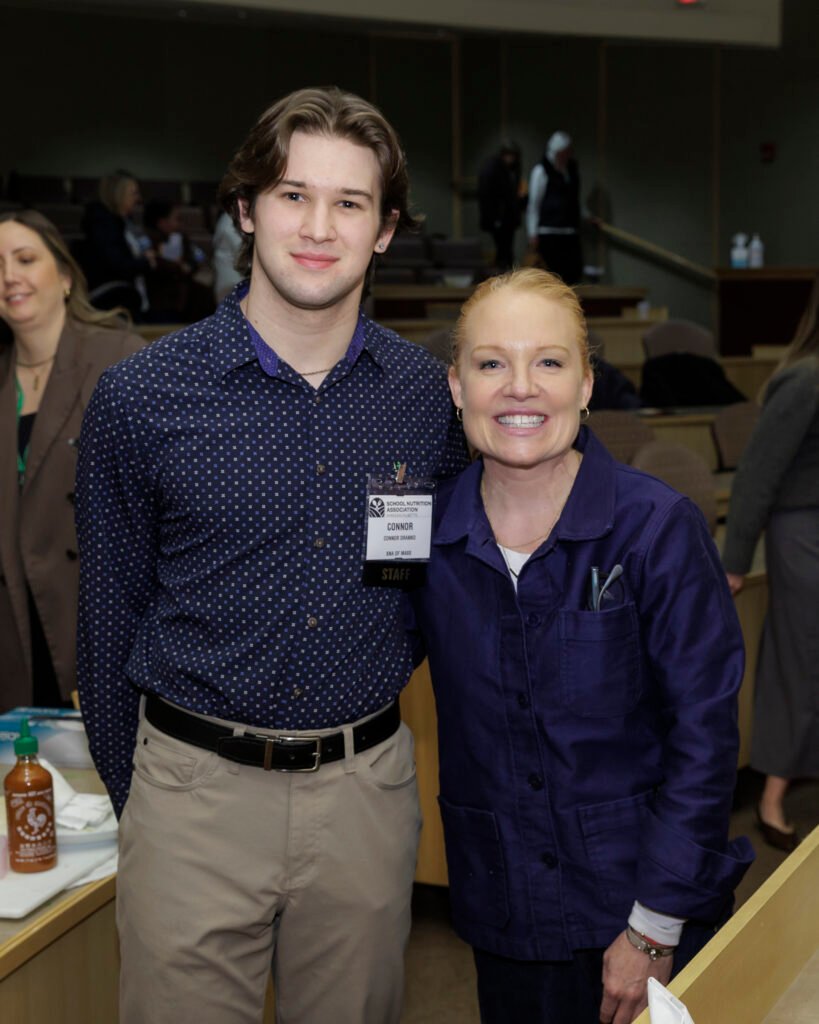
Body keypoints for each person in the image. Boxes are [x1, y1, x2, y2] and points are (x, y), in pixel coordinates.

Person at [75, 86, 467, 1024]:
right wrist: (150, 800)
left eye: (349, 202)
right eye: (293, 195)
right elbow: (107, 618)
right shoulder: (141, 398)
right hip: (192, 798)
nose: (318, 227)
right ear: (246, 210)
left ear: (384, 230)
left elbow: (445, 583)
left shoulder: (427, 400)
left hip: (365, 796)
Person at [408, 268, 754, 1024]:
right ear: (457, 387)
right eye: (491, 363)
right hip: (504, 909)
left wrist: (652, 927)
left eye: (549, 361)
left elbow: (703, 738)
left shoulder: (656, 527)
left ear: (587, 384)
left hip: (641, 907)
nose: (520, 387)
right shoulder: (421, 535)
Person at [0, 209, 143, 712]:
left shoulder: (120, 358)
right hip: (16, 637)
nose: (9, 276)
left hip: (97, 626)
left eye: (25, 259)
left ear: (64, 276)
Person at [722, 275, 819, 852]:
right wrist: (734, 559)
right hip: (803, 535)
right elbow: (756, 476)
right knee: (799, 663)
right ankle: (772, 799)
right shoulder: (805, 379)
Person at [79, 170, 156, 318]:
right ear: (118, 194)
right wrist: (146, 262)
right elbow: (116, 264)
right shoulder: (103, 225)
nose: (138, 199)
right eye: (133, 193)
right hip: (112, 301)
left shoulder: (124, 222)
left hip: (126, 295)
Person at [525, 131, 584, 285]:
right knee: (552, 278)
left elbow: (573, 200)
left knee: (572, 276)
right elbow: (534, 205)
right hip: (549, 232)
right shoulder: (541, 171)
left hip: (570, 231)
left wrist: (585, 215)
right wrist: (532, 233)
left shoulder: (570, 171)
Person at [143, 198, 214, 322]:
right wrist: (177, 266)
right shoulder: (146, 243)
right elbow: (155, 266)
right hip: (161, 302)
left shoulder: (181, 239)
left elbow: (193, 260)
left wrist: (187, 266)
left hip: (185, 300)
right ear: (162, 222)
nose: (179, 224)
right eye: (176, 219)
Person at [478, 140, 525, 271]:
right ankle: (503, 272)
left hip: (508, 216)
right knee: (503, 250)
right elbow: (486, 194)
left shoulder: (513, 169)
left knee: (506, 250)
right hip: (498, 216)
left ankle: (506, 271)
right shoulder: (493, 168)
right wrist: (493, 217)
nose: (512, 158)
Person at [212, 208, 244, 301]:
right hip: (231, 282)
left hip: (233, 281)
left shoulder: (228, 219)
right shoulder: (228, 221)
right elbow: (242, 252)